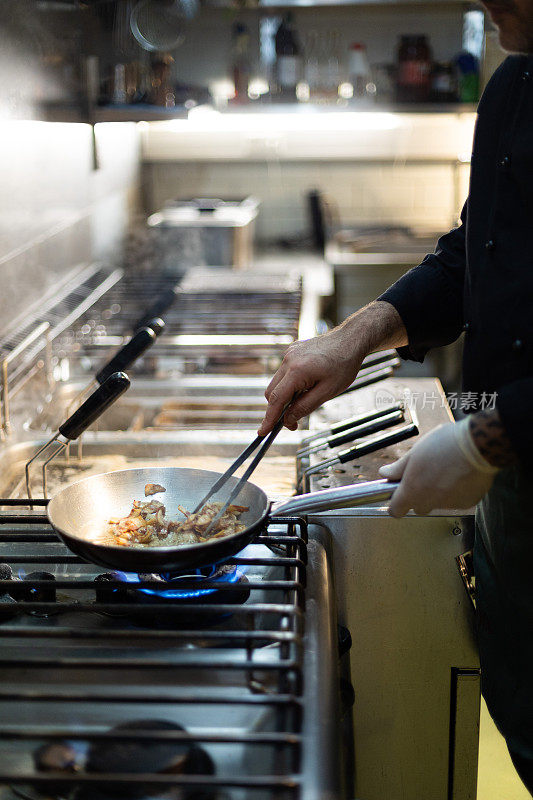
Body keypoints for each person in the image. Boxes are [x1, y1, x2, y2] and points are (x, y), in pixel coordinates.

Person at [258, 0, 533, 790]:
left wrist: (486, 438)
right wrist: (351, 339)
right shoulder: (513, 86)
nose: (485, 2)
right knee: (521, 711)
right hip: (520, 512)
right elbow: (467, 261)